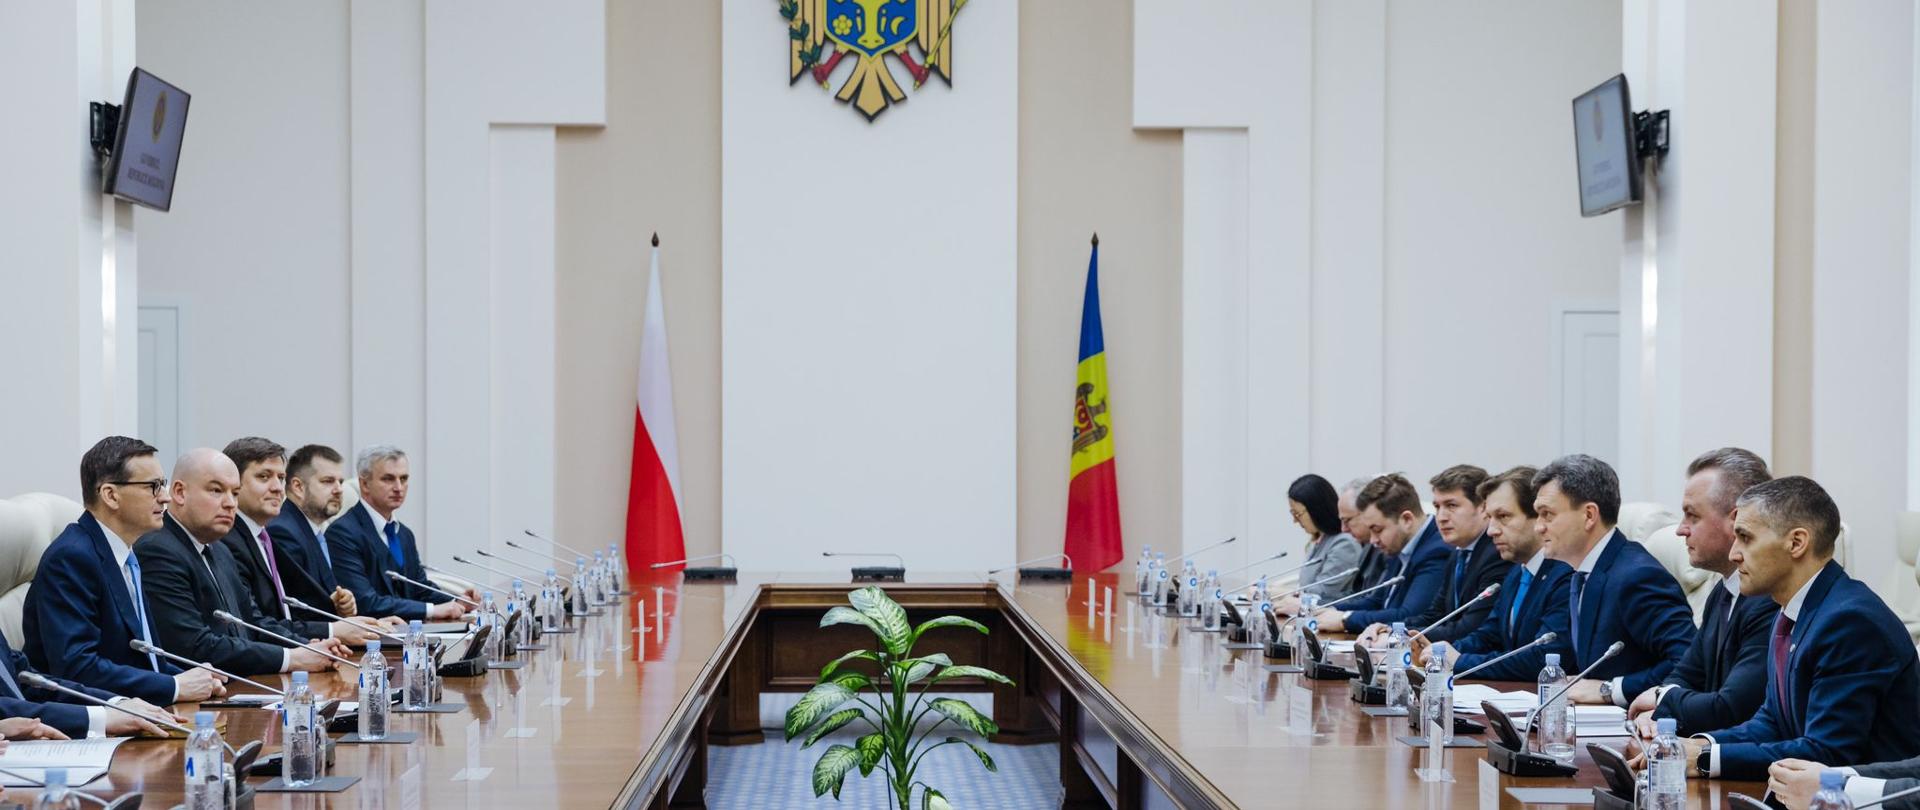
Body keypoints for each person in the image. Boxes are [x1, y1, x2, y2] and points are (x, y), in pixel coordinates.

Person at [1660, 476, 1920, 782]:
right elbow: (1772, 722)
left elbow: (1826, 753)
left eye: (1745, 538)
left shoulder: (1849, 621)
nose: (1733, 554)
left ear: (1796, 543)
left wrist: (1707, 759)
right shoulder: (1792, 610)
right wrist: (1702, 745)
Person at [24, 436, 226, 706]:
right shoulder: (71, 558)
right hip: (81, 717)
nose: (165, 497)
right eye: (153, 486)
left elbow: (144, 659)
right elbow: (77, 668)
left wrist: (192, 678)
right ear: (111, 495)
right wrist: (175, 686)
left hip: (138, 708)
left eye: (163, 484)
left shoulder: (125, 554)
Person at [135, 449, 359, 676]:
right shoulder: (158, 549)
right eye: (216, 490)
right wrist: (292, 658)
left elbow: (253, 624)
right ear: (180, 492)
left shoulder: (219, 549)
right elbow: (193, 646)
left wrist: (310, 648)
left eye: (235, 493)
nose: (230, 503)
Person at [1627, 448, 1777, 738]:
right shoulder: (1722, 590)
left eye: (1692, 516)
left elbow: (1732, 708)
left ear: (1736, 521)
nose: (1680, 530)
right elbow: (1686, 673)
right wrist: (1661, 709)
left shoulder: (1769, 600)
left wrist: (1662, 700)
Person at [1534, 454, 1694, 707]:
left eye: (1547, 515)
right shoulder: (1583, 573)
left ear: (1589, 515)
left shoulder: (1636, 576)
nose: (1538, 527)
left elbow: (1688, 662)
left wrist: (1612, 689)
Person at [1414, 466, 1574, 680]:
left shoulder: (1565, 572)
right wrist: (1441, 651)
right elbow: (1489, 635)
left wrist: (1460, 661)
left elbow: (1543, 658)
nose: (1491, 530)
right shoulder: (1517, 571)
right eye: (1490, 518)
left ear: (1538, 517)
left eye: (1503, 516)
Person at [1366, 465, 1510, 644]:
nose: (1441, 517)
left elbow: (1469, 627)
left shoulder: (1496, 554)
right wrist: (1390, 629)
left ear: (1482, 507)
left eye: (1451, 505)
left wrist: (1398, 637)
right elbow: (1434, 615)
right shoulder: (1458, 552)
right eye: (1437, 506)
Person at [327, 446, 466, 621]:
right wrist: (432, 610)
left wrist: (458, 601)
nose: (399, 487)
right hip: (373, 635)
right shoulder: (342, 533)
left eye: (404, 478)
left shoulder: (404, 534)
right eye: (388, 479)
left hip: (411, 631)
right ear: (364, 484)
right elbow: (365, 602)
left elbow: (418, 588)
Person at [1313, 473, 1449, 633]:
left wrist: (1346, 619)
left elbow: (1410, 615)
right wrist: (1328, 610)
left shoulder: (1437, 550)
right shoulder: (1400, 545)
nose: (1373, 540)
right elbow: (1377, 601)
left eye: (1377, 530)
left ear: (1407, 520)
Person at [268, 443, 363, 622]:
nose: (339, 490)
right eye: (328, 481)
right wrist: (338, 613)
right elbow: (297, 609)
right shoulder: (283, 531)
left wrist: (342, 603)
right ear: (298, 487)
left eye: (340, 482)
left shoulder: (312, 530)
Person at [1271, 474, 1362, 615]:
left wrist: (1274, 593)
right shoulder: (1319, 540)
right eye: (1292, 514)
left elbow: (1322, 593)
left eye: (1297, 514)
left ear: (1317, 510)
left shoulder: (1344, 543)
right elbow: (1307, 587)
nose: (1295, 521)